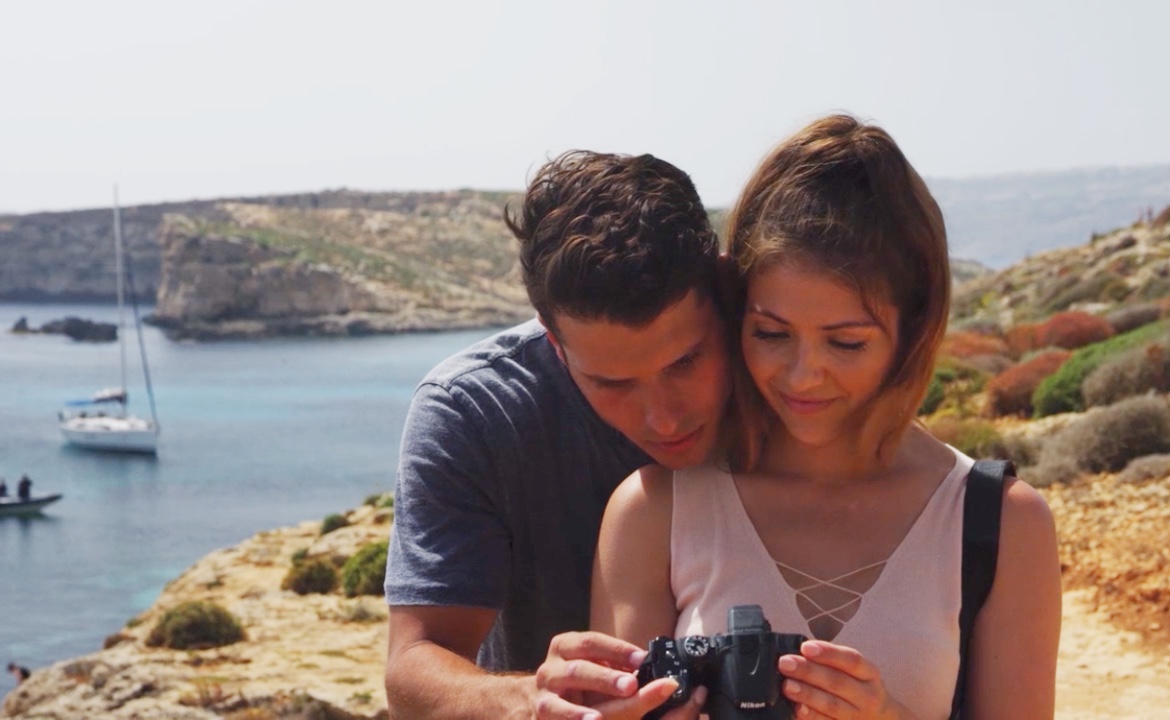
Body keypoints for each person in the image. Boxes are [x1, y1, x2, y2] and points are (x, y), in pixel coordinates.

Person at [592, 114, 1062, 719]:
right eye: (771, 332)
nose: (801, 375)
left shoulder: (1003, 524)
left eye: (845, 343)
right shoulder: (656, 510)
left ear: (912, 330)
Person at [385, 150, 733, 719]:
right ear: (553, 342)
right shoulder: (471, 411)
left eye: (685, 363)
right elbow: (413, 668)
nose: (664, 418)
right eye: (611, 383)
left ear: (724, 290)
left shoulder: (792, 368)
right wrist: (530, 700)